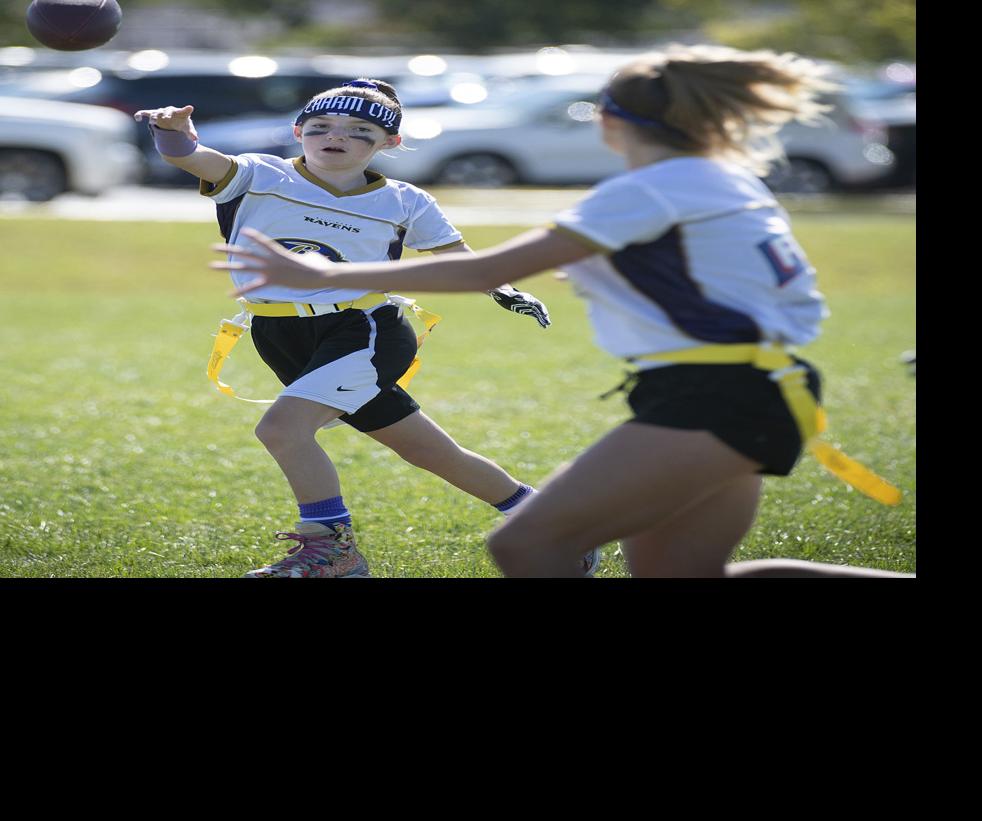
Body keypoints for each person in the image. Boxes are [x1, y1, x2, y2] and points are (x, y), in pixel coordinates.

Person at [213, 47, 839, 578]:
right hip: (749, 384)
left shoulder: (645, 190)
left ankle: (334, 551)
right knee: (677, 570)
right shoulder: (724, 179)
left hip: (716, 393)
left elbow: (484, 271)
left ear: (608, 121)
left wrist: (328, 275)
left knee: (527, 544)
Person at [136, 79, 600, 578]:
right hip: (278, 333)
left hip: (363, 329)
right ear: (298, 131)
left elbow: (457, 257)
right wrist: (172, 129)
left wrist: (503, 288)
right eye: (321, 126)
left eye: (360, 130)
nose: (336, 136)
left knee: (282, 429)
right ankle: (554, 524)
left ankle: (333, 551)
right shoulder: (258, 173)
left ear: (389, 142)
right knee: (427, 450)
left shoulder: (404, 200)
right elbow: (188, 156)